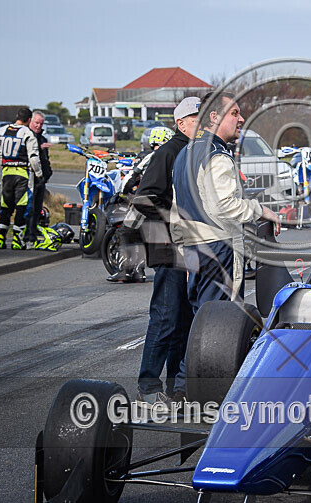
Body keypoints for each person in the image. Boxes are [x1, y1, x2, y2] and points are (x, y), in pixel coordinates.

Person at [171, 91, 280, 398]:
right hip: (218, 247)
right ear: (214, 117)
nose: (241, 118)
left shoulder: (185, 153)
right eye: (235, 113)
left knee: (202, 323)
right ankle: (201, 397)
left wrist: (185, 253)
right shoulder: (216, 153)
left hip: (195, 247)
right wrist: (261, 210)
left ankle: (185, 392)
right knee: (220, 327)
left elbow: (176, 210)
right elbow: (225, 206)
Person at [132, 99, 199, 406]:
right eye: (195, 118)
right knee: (165, 319)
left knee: (185, 322)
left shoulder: (197, 153)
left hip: (191, 249)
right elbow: (145, 200)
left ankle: (175, 389)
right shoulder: (169, 152)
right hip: (170, 248)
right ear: (181, 123)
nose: (202, 123)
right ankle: (148, 385)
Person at [106, 126, 175, 283]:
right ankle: (139, 269)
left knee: (126, 232)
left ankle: (126, 271)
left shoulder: (151, 155)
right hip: (165, 203)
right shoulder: (173, 155)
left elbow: (132, 175)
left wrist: (123, 192)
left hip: (145, 201)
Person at [0, 108, 42, 250]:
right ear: (29, 120)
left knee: (6, 206)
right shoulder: (28, 133)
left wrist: (6, 164)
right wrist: (39, 174)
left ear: (17, 116)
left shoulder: (2, 130)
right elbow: (33, 158)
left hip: (6, 173)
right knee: (21, 207)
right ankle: (17, 240)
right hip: (22, 174)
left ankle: (0, 238)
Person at [24, 111, 53, 247]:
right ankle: (28, 235)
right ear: (30, 121)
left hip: (41, 178)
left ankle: (34, 232)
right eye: (36, 123)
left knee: (37, 208)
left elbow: (45, 158)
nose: (38, 126)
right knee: (30, 207)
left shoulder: (42, 138)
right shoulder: (27, 136)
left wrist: (48, 172)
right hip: (30, 177)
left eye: (41, 123)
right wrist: (39, 149)